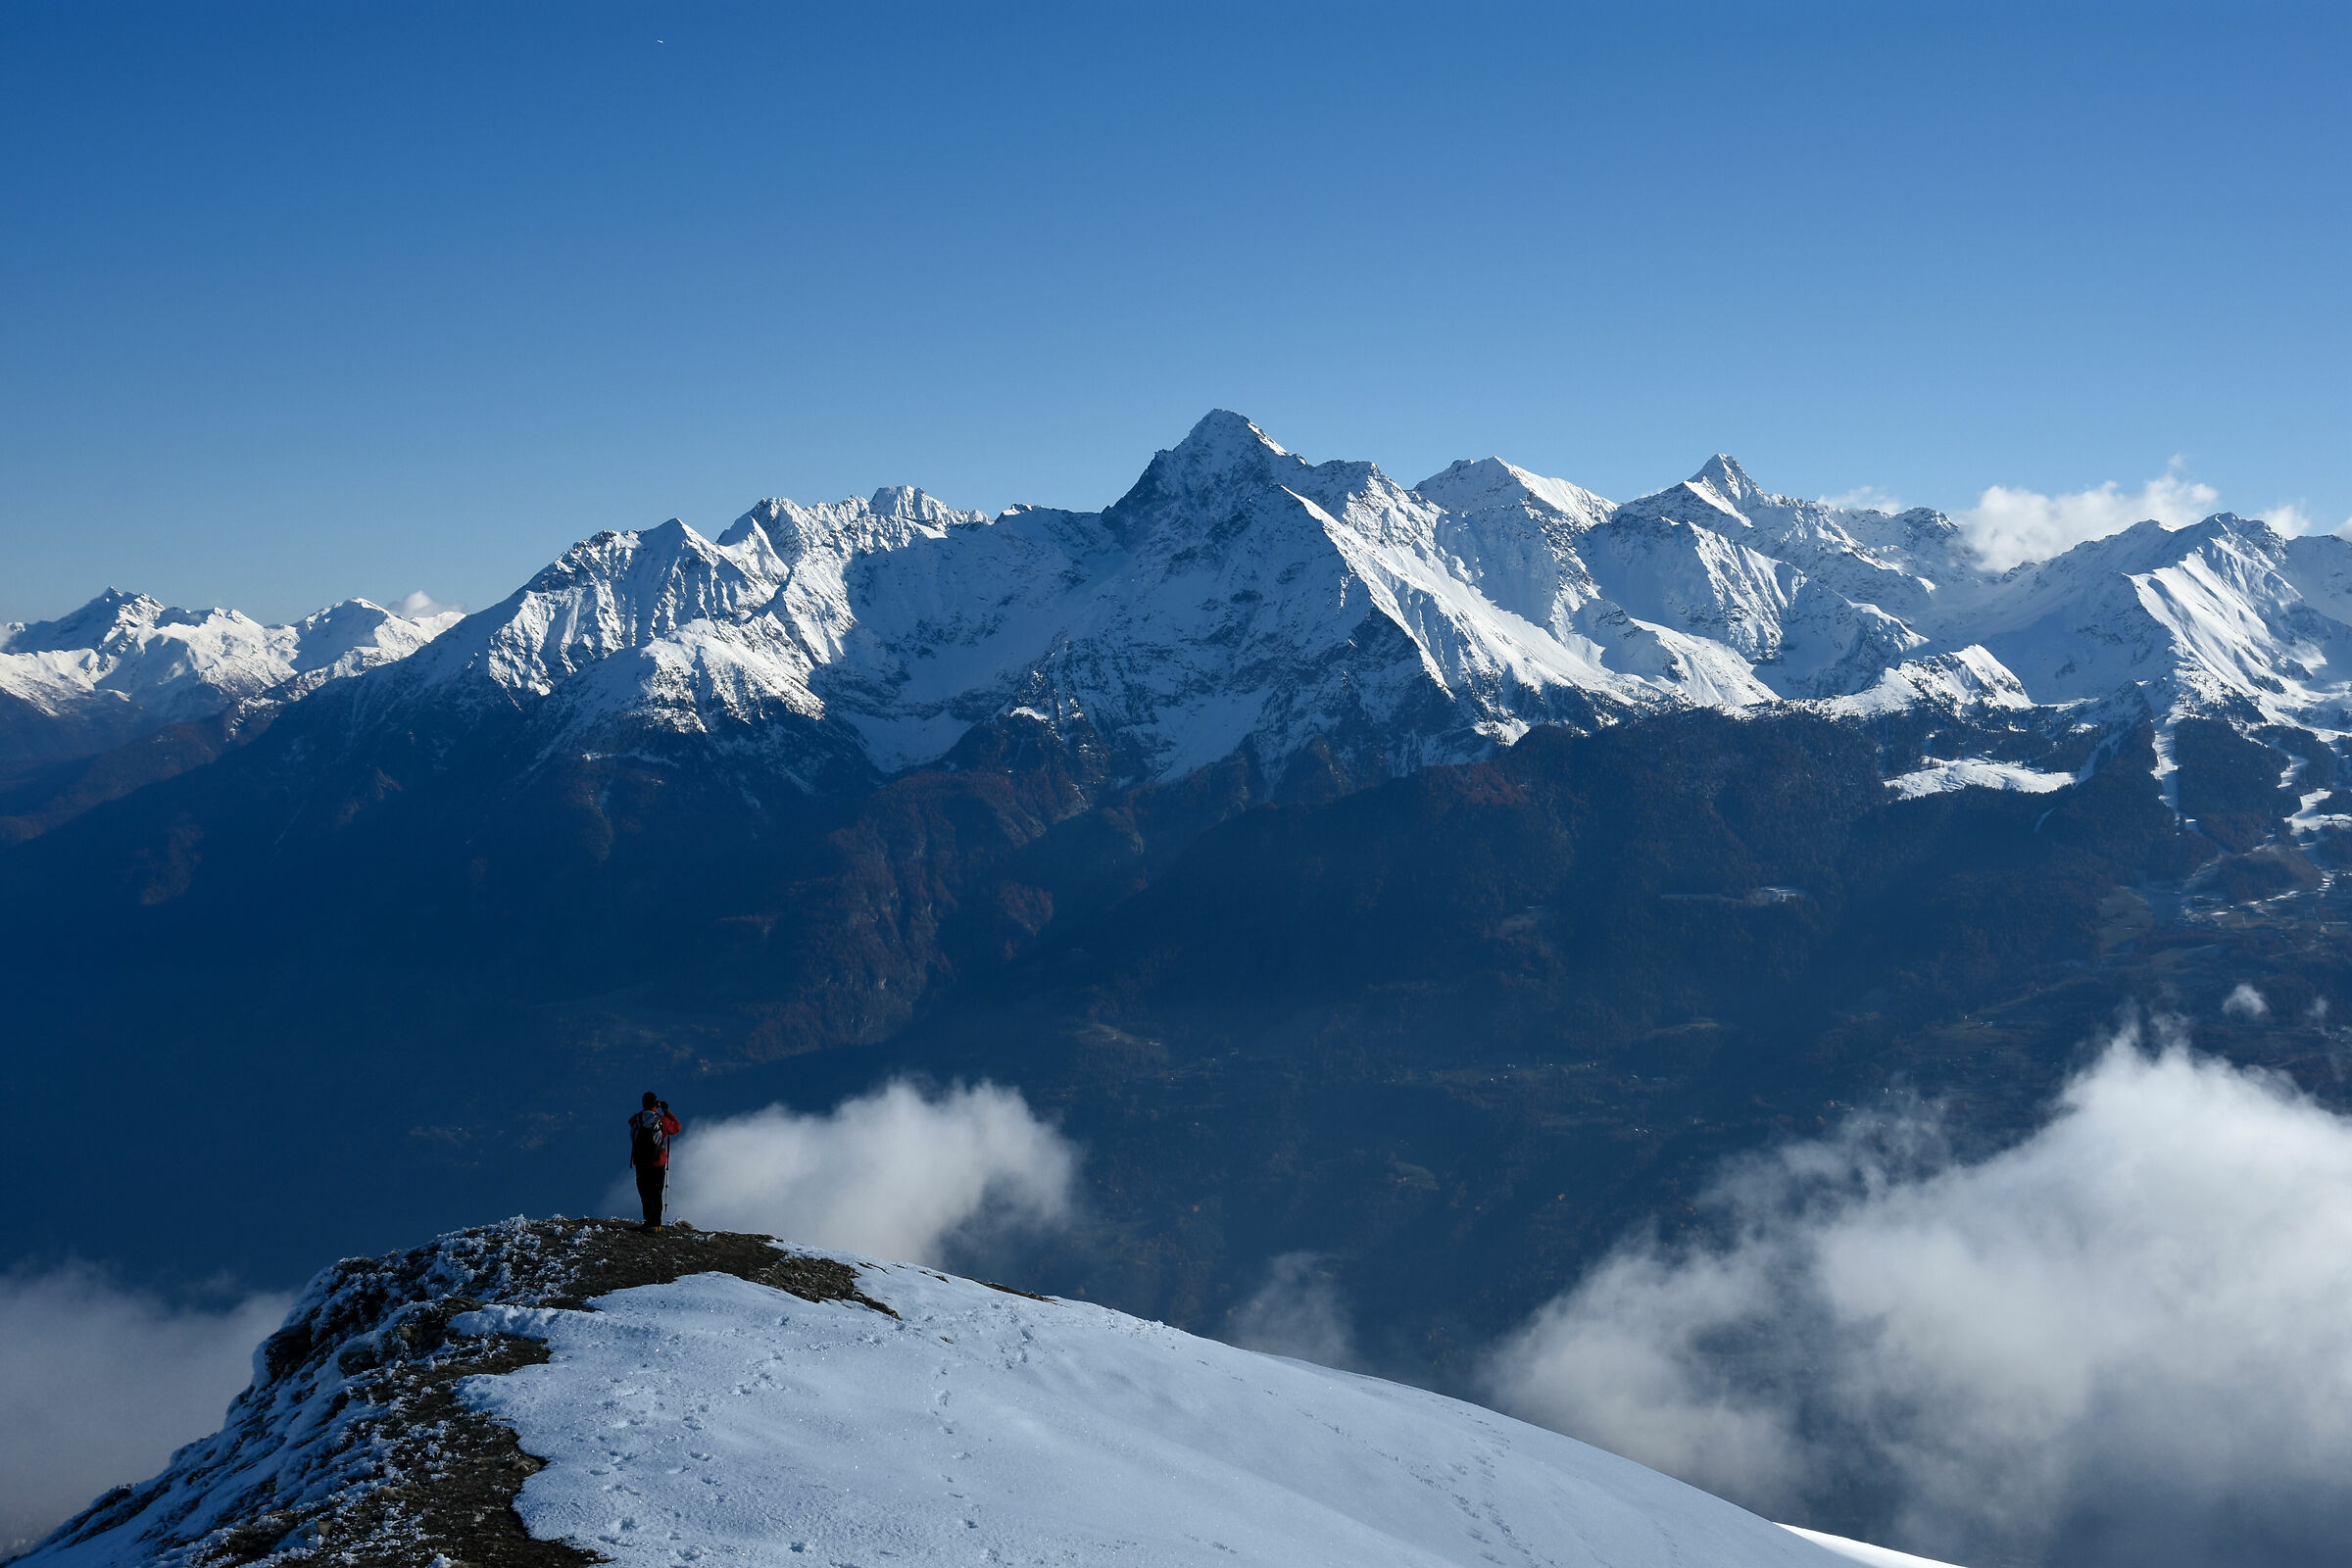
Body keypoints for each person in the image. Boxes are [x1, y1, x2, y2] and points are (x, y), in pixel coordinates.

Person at [628, 1091, 682, 1231]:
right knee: (656, 1193)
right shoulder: (661, 1120)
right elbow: (676, 1127)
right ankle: (656, 1224)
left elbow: (630, 1122)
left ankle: (648, 1222)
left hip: (641, 1163)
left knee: (645, 1193)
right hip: (658, 1163)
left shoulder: (637, 1119)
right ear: (655, 1104)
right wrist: (667, 1112)